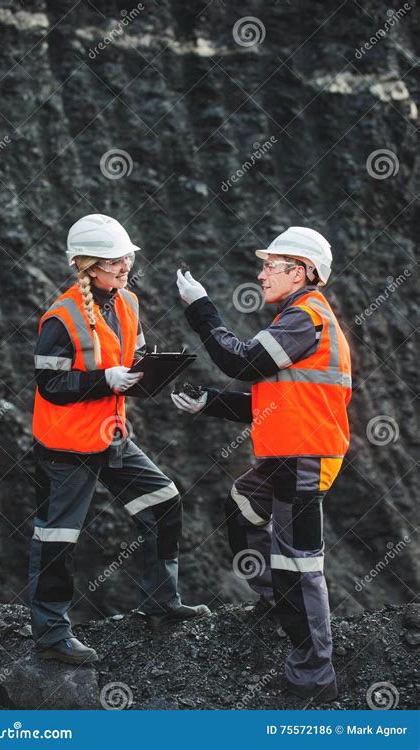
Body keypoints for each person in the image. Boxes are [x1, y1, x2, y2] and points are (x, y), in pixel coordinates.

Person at [172, 227, 351, 702]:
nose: (261, 273)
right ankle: (278, 603)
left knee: (298, 561)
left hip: (305, 457)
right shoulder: (297, 319)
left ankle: (314, 677)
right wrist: (207, 402)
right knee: (242, 506)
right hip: (288, 453)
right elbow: (271, 401)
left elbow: (243, 361)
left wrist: (201, 309)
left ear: (304, 271)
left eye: (271, 265)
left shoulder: (304, 318)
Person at [29, 214, 209, 665]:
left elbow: (137, 356)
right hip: (66, 447)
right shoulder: (61, 317)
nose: (124, 265)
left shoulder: (126, 302)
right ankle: (51, 637)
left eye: (126, 257)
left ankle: (160, 604)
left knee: (164, 502)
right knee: (58, 538)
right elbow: (50, 385)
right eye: (113, 261)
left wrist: (152, 371)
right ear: (87, 265)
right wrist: (104, 379)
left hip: (112, 436)